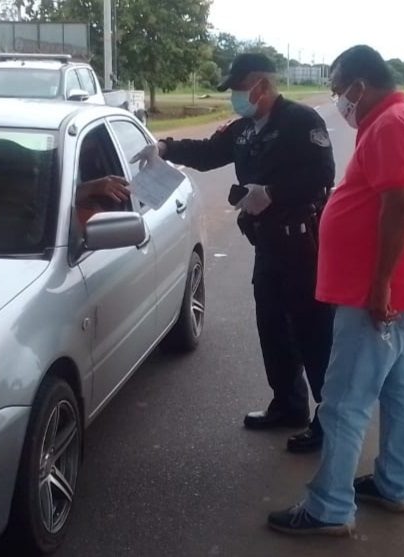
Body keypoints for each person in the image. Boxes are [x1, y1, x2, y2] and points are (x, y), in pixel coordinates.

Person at [267, 44, 404, 536]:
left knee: (343, 401)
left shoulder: (390, 124)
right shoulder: (392, 120)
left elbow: (400, 205)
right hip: (392, 293)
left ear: (360, 86)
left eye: (340, 89)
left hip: (377, 296)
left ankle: (329, 509)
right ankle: (395, 483)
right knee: (399, 393)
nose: (339, 100)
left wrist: (380, 283)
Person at [132, 53, 336, 454]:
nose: (235, 97)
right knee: (272, 328)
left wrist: (273, 193)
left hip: (302, 245)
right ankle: (288, 404)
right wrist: (165, 146)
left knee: (312, 333)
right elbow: (208, 153)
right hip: (268, 244)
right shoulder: (244, 129)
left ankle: (330, 420)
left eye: (240, 89)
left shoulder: (301, 122)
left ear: (260, 85)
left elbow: (322, 174)